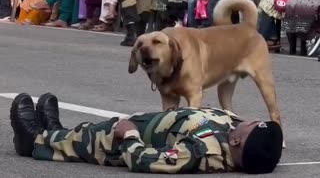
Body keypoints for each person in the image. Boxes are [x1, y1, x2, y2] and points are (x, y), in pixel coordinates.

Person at [10, 92, 283, 174]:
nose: (252, 120)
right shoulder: (235, 133)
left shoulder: (201, 152)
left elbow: (145, 161)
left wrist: (129, 135)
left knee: (85, 140)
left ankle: (32, 140)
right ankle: (53, 130)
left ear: (236, 141)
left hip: (118, 142)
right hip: (145, 124)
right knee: (78, 133)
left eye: (253, 126)